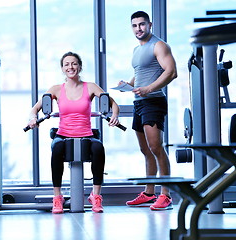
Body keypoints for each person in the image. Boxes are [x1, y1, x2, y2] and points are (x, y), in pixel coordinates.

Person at [26, 52, 121, 214]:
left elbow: (113, 104)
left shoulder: (90, 87)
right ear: (62, 69)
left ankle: (95, 195)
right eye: (67, 64)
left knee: (98, 149)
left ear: (80, 66)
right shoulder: (56, 89)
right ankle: (57, 197)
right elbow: (35, 108)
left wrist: (114, 116)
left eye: (74, 64)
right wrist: (33, 118)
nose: (71, 67)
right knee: (56, 150)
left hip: (87, 134)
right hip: (63, 134)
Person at [124, 11, 177, 210]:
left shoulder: (159, 45)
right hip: (139, 102)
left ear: (150, 24)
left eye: (142, 24)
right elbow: (141, 73)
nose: (139, 28)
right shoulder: (137, 50)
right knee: (145, 150)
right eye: (135, 25)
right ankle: (149, 193)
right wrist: (128, 84)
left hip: (153, 101)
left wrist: (149, 88)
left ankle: (166, 195)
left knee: (156, 148)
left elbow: (171, 71)